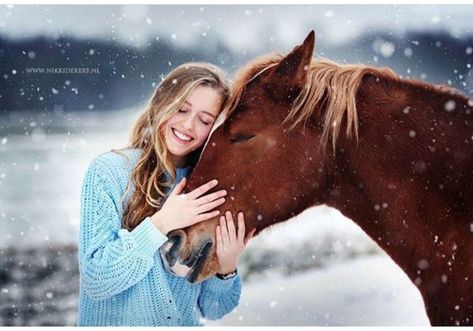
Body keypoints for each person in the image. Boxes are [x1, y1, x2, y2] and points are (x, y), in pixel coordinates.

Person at [77, 62, 255, 326]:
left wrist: (226, 265)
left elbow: (213, 308)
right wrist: (162, 223)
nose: (189, 125)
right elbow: (97, 279)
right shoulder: (109, 171)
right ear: (162, 104)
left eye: (205, 120)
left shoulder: (208, 190)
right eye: (181, 109)